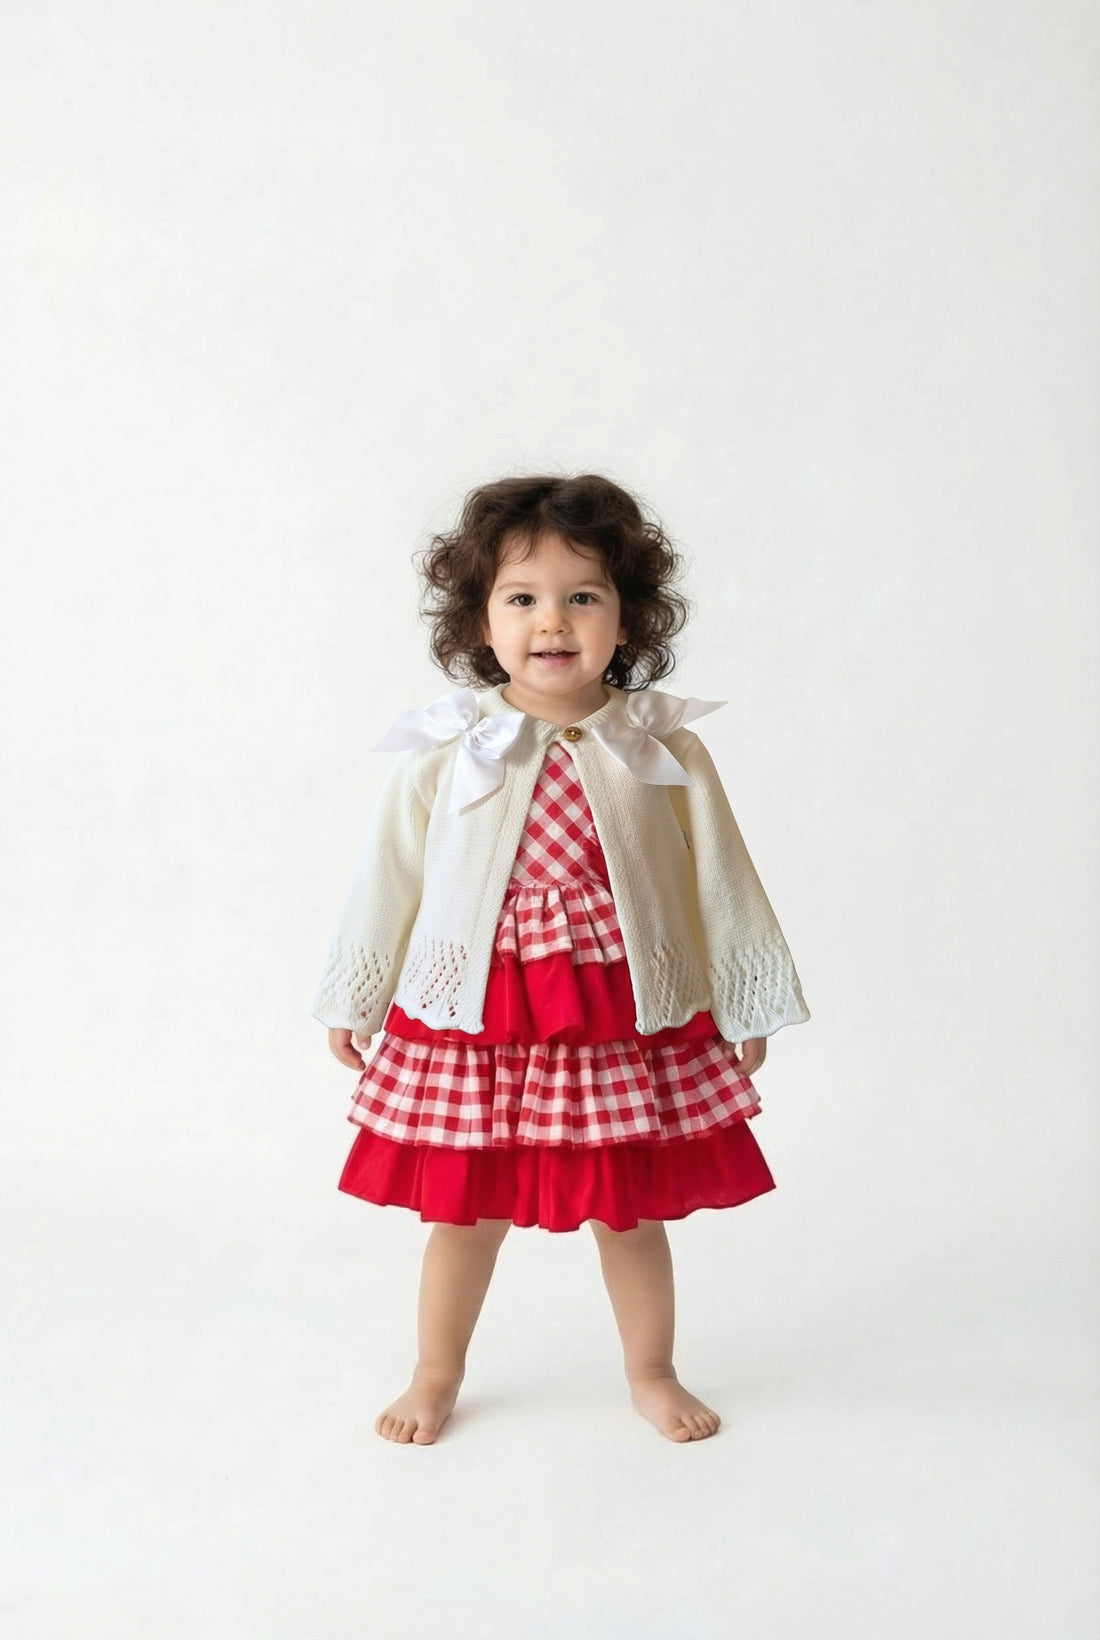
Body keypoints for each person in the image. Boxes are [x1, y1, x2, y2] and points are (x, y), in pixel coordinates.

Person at [313, 473, 809, 1446]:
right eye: (521, 596)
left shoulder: (655, 746)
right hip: (476, 1017)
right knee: (461, 1212)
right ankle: (434, 1369)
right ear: (479, 619)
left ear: (626, 619)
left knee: (625, 1210)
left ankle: (651, 1367)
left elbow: (722, 877)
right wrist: (357, 991)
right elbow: (389, 878)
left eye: (583, 594)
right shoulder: (450, 748)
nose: (553, 619)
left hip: (615, 1013)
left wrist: (743, 998)